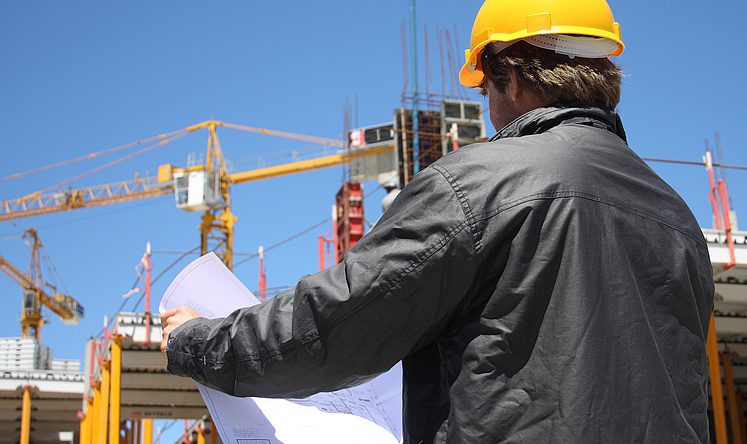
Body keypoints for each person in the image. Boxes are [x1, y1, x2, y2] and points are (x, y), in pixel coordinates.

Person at [161, 0, 715, 441]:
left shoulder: (477, 183)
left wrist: (198, 341)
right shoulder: (678, 218)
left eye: (483, 89)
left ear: (510, 77)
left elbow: (337, 323)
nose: (486, 109)